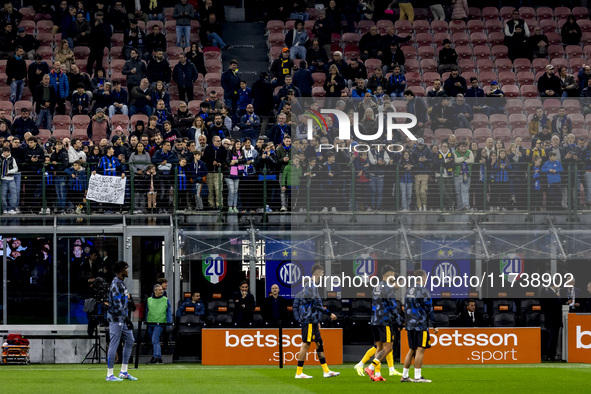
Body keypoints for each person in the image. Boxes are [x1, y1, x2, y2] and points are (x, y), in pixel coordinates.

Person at [293, 264, 340, 379]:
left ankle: (326, 371)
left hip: (313, 320)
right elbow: (317, 304)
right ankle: (299, 372)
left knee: (319, 343)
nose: (323, 275)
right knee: (306, 344)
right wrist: (329, 313)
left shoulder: (312, 285)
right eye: (322, 273)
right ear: (317, 272)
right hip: (308, 320)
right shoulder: (312, 285)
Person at [363, 266, 403, 381]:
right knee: (388, 347)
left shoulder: (376, 287)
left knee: (379, 347)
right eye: (393, 275)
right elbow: (393, 307)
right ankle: (370, 368)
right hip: (384, 321)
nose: (394, 277)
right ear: (390, 274)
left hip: (375, 320)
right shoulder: (388, 288)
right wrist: (400, 321)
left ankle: (378, 374)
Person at [401, 269, 438, 383]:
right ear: (422, 277)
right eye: (426, 277)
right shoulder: (424, 291)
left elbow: (405, 308)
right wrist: (434, 325)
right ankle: (417, 377)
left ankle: (405, 376)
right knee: (420, 349)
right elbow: (429, 309)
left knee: (411, 349)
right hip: (420, 324)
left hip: (410, 325)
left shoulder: (408, 291)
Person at [105, 261, 138, 381]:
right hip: (116, 319)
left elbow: (124, 300)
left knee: (130, 340)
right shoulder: (115, 284)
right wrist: (127, 318)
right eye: (126, 268)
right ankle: (109, 374)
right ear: (120, 270)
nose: (127, 270)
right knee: (114, 344)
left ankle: (124, 371)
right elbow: (117, 305)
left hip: (122, 319)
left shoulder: (121, 284)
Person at [146, 283, 172, 364]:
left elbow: (168, 311)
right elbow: (147, 311)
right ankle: (159, 357)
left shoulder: (165, 299)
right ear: (155, 291)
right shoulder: (149, 300)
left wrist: (169, 322)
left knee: (155, 339)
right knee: (155, 340)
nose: (162, 291)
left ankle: (155, 357)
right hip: (150, 322)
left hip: (160, 322)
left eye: (162, 289)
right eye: (160, 289)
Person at [0, 146, 18, 214]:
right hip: (3, 179)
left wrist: (9, 171)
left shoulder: (12, 159)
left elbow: (16, 168)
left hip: (11, 179)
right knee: (3, 194)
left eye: (7, 152)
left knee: (13, 194)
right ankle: (4, 208)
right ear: (3, 152)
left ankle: (12, 208)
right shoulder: (0, 159)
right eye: (5, 152)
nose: (6, 153)